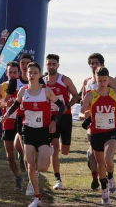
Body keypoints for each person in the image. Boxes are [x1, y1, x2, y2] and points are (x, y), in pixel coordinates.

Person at [2, 62, 66, 207]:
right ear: (27, 74)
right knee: (30, 165)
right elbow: (16, 106)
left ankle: (47, 153)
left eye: (35, 72)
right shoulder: (23, 91)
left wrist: (54, 121)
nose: (31, 75)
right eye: (29, 72)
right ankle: (37, 197)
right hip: (28, 130)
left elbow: (62, 106)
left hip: (43, 131)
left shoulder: (46, 91)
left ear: (39, 74)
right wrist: (6, 115)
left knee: (42, 167)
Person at [79, 66, 116, 205]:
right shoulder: (90, 95)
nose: (102, 83)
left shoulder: (115, 93)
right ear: (96, 79)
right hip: (97, 132)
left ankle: (110, 177)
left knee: (108, 159)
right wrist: (84, 115)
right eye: (100, 80)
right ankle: (104, 190)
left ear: (108, 79)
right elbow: (81, 112)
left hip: (112, 131)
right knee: (100, 163)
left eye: (104, 80)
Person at [5, 53, 44, 196]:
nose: (24, 65)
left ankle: (31, 174)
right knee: (17, 149)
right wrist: (6, 106)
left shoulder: (39, 82)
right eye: (22, 62)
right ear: (20, 64)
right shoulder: (15, 82)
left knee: (25, 149)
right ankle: (28, 169)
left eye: (28, 63)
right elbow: (8, 100)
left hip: (32, 120)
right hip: (17, 119)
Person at [81, 53, 116, 190]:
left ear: (102, 64)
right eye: (91, 62)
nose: (94, 65)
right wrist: (84, 112)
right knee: (93, 152)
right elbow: (83, 100)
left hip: (108, 119)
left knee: (105, 156)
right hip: (92, 121)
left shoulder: (107, 78)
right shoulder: (87, 81)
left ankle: (107, 176)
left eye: (97, 63)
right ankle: (95, 178)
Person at [44, 54, 80, 190]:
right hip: (50, 118)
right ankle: (58, 179)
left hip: (65, 117)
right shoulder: (42, 82)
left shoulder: (64, 79)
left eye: (54, 64)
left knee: (65, 151)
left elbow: (76, 95)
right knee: (54, 148)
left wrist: (68, 106)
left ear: (58, 65)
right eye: (49, 64)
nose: (51, 66)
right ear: (46, 65)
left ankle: (59, 143)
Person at [0, 61, 23, 190]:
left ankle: (23, 158)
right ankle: (18, 177)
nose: (12, 75)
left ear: (19, 73)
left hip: (22, 120)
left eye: (15, 72)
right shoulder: (1, 87)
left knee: (21, 147)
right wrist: (3, 104)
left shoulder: (23, 86)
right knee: (9, 157)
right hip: (8, 121)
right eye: (10, 72)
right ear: (6, 73)